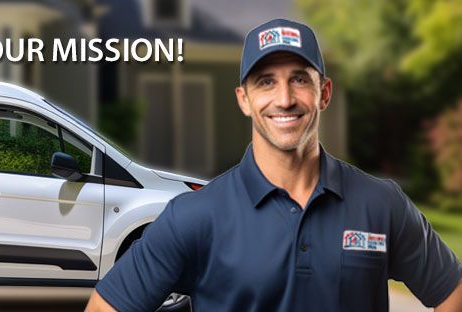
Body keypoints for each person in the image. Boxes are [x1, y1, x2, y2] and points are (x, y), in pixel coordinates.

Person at [85, 18, 462, 312]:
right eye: (266, 82)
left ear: (324, 93)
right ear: (244, 100)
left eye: (299, 79)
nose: (284, 99)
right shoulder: (195, 217)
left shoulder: (381, 204)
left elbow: (452, 291)